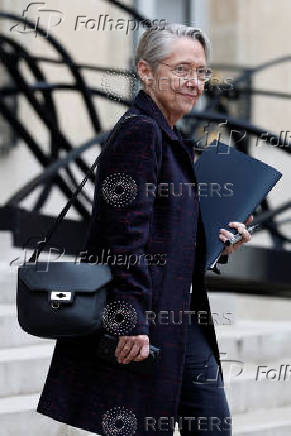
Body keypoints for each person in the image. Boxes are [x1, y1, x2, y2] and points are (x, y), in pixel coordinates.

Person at [37, 23, 252, 436]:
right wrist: (130, 319)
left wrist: (220, 245)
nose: (194, 83)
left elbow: (167, 230)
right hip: (147, 317)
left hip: (180, 315)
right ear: (146, 71)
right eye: (182, 69)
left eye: (202, 72)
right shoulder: (141, 132)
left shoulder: (169, 135)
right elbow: (121, 236)